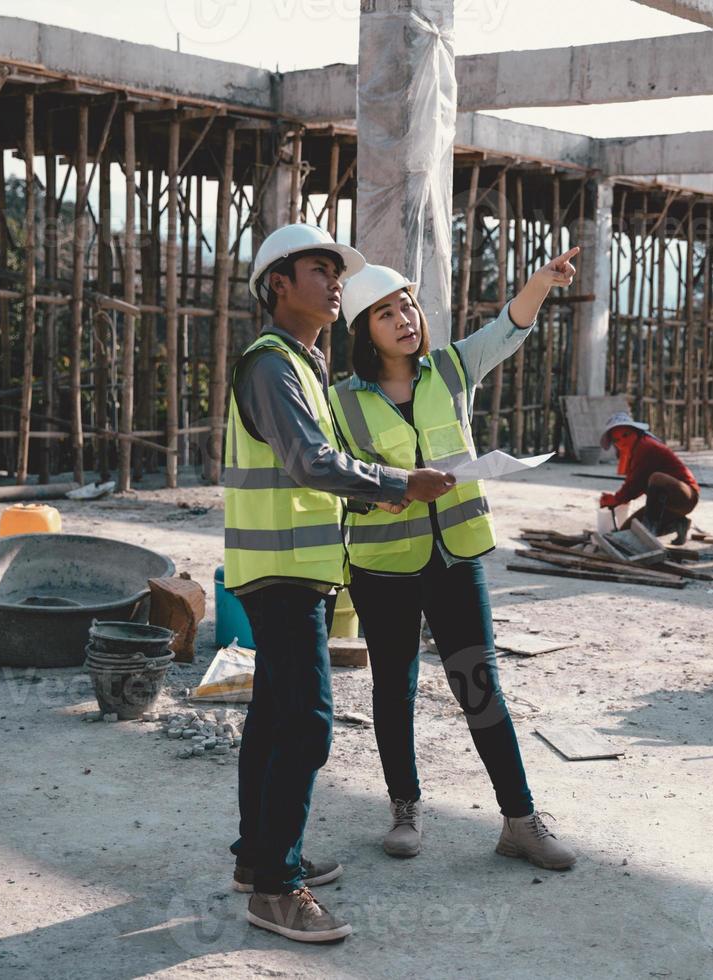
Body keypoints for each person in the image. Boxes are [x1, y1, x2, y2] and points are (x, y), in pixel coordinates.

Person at [223, 223, 456, 943]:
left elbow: (322, 476)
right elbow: (309, 462)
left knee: (271, 716)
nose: (333, 282)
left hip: (300, 570)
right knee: (308, 722)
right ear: (278, 285)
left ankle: (257, 857)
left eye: (336, 271)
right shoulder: (272, 365)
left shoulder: (303, 365)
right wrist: (396, 482)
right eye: (317, 270)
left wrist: (379, 492)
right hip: (281, 573)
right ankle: (276, 889)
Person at [325, 248, 583, 872]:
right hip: (383, 565)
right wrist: (379, 496)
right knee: (394, 687)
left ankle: (519, 820)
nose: (404, 318)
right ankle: (405, 808)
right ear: (364, 331)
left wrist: (541, 283)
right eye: (385, 313)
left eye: (408, 305)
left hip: (455, 555)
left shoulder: (449, 369)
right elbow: (334, 478)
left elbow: (506, 330)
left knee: (479, 684)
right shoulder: (341, 401)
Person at [598, 412, 700, 545]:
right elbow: (637, 484)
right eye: (617, 440)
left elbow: (635, 483)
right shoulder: (634, 451)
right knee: (626, 532)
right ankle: (677, 524)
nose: (622, 442)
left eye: (625, 435)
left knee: (657, 478)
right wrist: (618, 499)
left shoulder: (646, 447)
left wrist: (617, 499)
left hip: (685, 497)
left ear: (636, 432)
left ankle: (650, 531)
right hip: (667, 504)